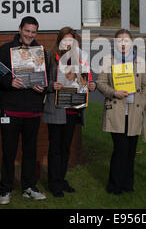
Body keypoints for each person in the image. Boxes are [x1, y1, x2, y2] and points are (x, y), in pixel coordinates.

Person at [0, 16, 47, 205]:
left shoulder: (41, 53)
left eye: (33, 32)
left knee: (30, 152)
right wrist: (10, 82)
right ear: (20, 29)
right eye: (27, 31)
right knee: (9, 152)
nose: (30, 35)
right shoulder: (4, 50)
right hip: (10, 111)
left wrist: (43, 86)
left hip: (33, 112)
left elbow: (47, 80)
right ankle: (5, 189)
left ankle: (28, 187)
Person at [42, 27, 96, 198]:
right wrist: (52, 86)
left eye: (71, 40)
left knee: (65, 148)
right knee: (55, 148)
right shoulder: (50, 56)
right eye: (65, 40)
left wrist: (90, 85)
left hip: (73, 110)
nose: (68, 43)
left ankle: (61, 178)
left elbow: (86, 80)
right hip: (56, 109)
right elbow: (42, 81)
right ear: (59, 40)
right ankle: (54, 183)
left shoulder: (80, 58)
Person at [96, 29, 146, 195]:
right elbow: (100, 83)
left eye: (126, 40)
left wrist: (142, 101)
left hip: (134, 111)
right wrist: (114, 92)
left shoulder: (140, 62)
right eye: (119, 40)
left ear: (131, 42)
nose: (122, 43)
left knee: (130, 151)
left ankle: (128, 184)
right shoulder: (108, 60)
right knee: (120, 149)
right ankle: (114, 185)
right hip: (116, 110)